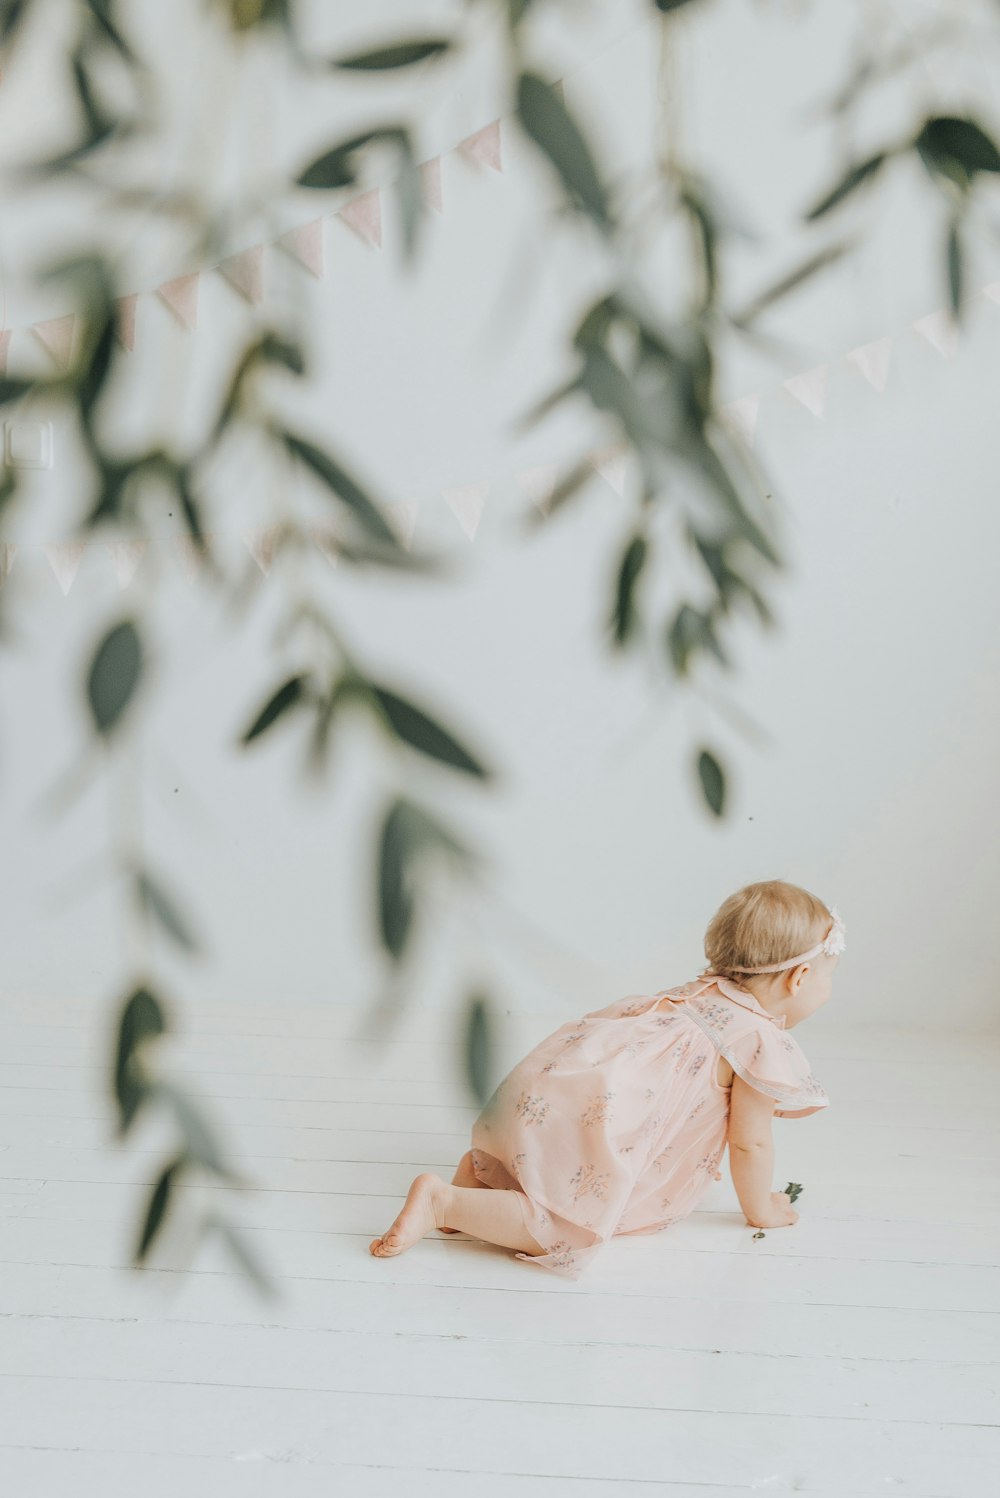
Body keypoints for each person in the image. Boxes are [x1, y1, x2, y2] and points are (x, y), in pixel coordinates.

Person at [369, 879, 842, 1279]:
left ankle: (479, 1177)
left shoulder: (696, 993)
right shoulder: (757, 1040)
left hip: (563, 1095)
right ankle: (443, 1204)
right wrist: (761, 1209)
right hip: (602, 1129)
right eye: (829, 977)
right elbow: (749, 1144)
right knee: (566, 1229)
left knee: (547, 1174)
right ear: (798, 979)